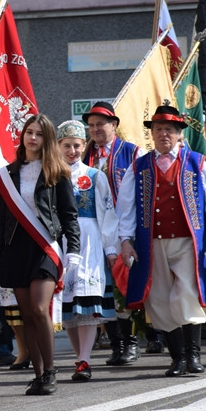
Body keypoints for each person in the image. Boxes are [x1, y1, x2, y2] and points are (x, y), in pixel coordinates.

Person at [117, 105, 206, 377]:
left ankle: (193, 356)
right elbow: (126, 207)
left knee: (187, 294)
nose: (163, 134)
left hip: (188, 242)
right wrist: (125, 240)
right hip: (150, 243)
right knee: (158, 299)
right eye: (158, 130)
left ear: (180, 135)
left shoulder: (196, 162)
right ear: (152, 135)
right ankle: (177, 358)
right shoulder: (139, 166)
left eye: (169, 129)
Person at [0, 115, 80, 396]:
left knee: (40, 309)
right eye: (29, 132)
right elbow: (2, 219)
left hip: (44, 249)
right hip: (17, 249)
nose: (33, 138)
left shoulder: (58, 173)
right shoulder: (8, 174)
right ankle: (38, 374)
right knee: (26, 314)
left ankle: (51, 371)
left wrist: (73, 249)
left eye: (39, 134)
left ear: (47, 139)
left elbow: (69, 215)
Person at [82, 101, 147, 363]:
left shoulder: (133, 153)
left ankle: (132, 341)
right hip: (93, 230)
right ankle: (117, 343)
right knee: (104, 286)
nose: (95, 129)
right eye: (91, 125)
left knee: (124, 284)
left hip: (123, 230)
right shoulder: (84, 154)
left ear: (114, 125)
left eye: (100, 124)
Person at [56, 120, 118, 381]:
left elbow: (107, 214)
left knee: (87, 300)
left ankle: (85, 359)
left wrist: (111, 247)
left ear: (84, 146)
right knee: (67, 304)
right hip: (59, 241)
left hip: (88, 240)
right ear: (58, 146)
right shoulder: (50, 175)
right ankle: (78, 355)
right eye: (67, 146)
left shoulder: (95, 176)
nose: (72, 151)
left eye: (77, 146)